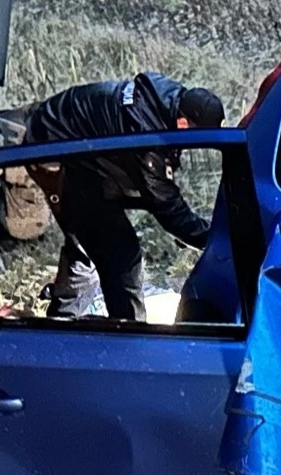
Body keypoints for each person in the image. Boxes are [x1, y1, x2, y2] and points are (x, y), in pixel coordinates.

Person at [21, 72, 225, 321]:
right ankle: (128, 333)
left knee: (90, 238)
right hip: (54, 149)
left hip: (79, 139)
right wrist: (215, 238)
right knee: (119, 253)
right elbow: (166, 206)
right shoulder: (146, 139)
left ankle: (62, 319)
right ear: (183, 124)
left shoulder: (173, 98)